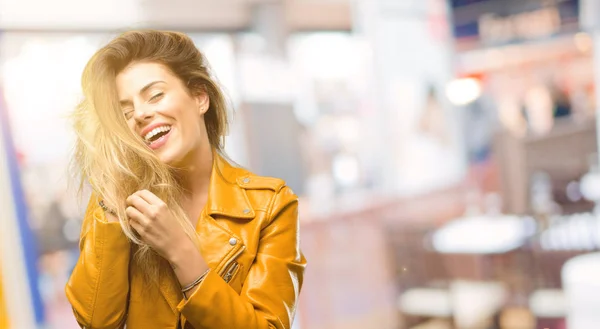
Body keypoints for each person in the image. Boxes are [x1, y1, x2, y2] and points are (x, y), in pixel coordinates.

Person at [65, 30, 307, 329]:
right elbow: (96, 322)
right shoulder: (115, 203)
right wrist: (113, 206)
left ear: (199, 97)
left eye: (155, 95)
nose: (140, 114)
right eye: (125, 112)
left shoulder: (270, 206)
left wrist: (180, 250)